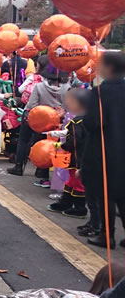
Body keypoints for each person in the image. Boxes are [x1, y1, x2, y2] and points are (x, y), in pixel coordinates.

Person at [81, 51, 125, 249]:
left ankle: (107, 235)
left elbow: (91, 123)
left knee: (104, 193)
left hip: (103, 151)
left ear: (108, 68)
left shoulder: (99, 93)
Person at [7, 64, 69, 182]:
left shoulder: (39, 86)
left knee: (24, 140)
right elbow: (67, 106)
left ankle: (19, 166)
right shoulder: (66, 88)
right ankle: (42, 172)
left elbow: (31, 105)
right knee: (46, 145)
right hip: (55, 121)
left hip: (37, 119)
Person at [47, 87, 89, 218]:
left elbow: (74, 142)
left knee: (78, 183)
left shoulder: (78, 122)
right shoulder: (87, 120)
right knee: (71, 181)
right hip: (81, 157)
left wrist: (61, 145)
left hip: (78, 159)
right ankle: (66, 202)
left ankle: (80, 208)